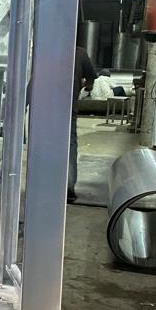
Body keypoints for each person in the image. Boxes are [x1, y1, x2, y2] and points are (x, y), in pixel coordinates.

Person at [68, 46, 96, 203]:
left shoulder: (47, 51)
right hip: (69, 110)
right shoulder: (79, 53)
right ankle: (68, 188)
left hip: (46, 112)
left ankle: (45, 184)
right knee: (70, 147)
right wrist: (85, 85)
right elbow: (91, 77)